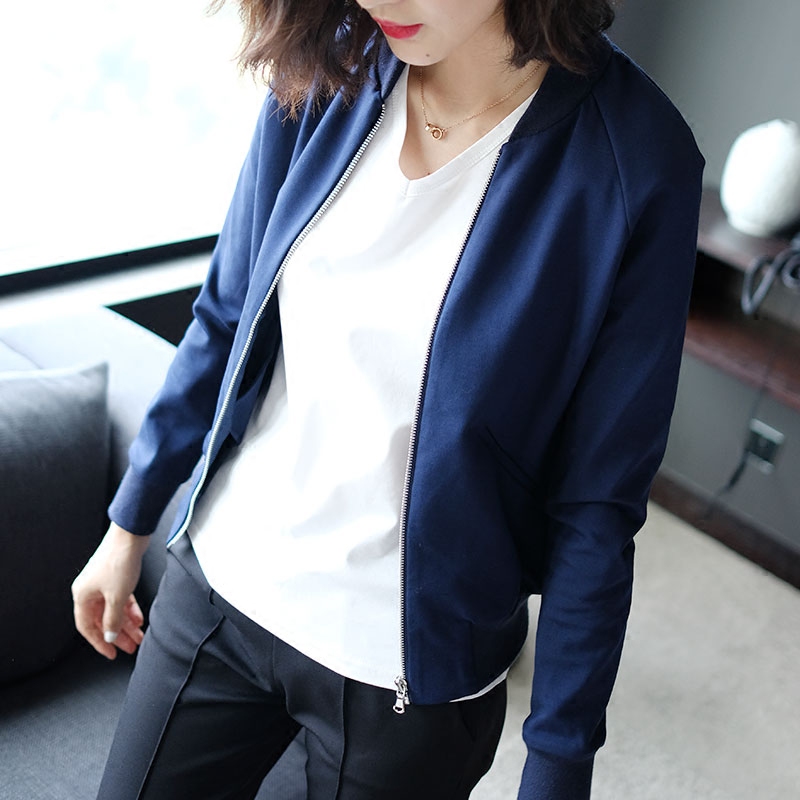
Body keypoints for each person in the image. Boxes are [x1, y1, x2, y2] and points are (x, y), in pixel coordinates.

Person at [72, 1, 704, 798]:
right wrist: (128, 525)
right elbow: (227, 315)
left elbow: (598, 502)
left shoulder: (637, 159)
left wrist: (558, 762)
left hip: (406, 681)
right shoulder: (331, 61)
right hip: (224, 587)